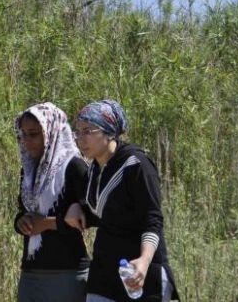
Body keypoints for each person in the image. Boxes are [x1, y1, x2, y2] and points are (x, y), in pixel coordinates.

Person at [65, 99, 180, 302]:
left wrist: (144, 261)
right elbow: (103, 211)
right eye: (78, 132)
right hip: (104, 272)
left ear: (109, 131)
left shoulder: (136, 165)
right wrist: (77, 207)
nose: (80, 139)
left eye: (88, 131)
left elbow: (152, 220)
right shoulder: (94, 168)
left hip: (139, 273)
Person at [13, 102, 90, 302]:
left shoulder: (74, 167)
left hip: (67, 272)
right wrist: (22, 221)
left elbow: (92, 216)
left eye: (34, 134)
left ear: (51, 131)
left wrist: (48, 223)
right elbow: (24, 210)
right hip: (31, 272)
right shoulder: (29, 170)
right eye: (23, 135)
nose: (27, 141)